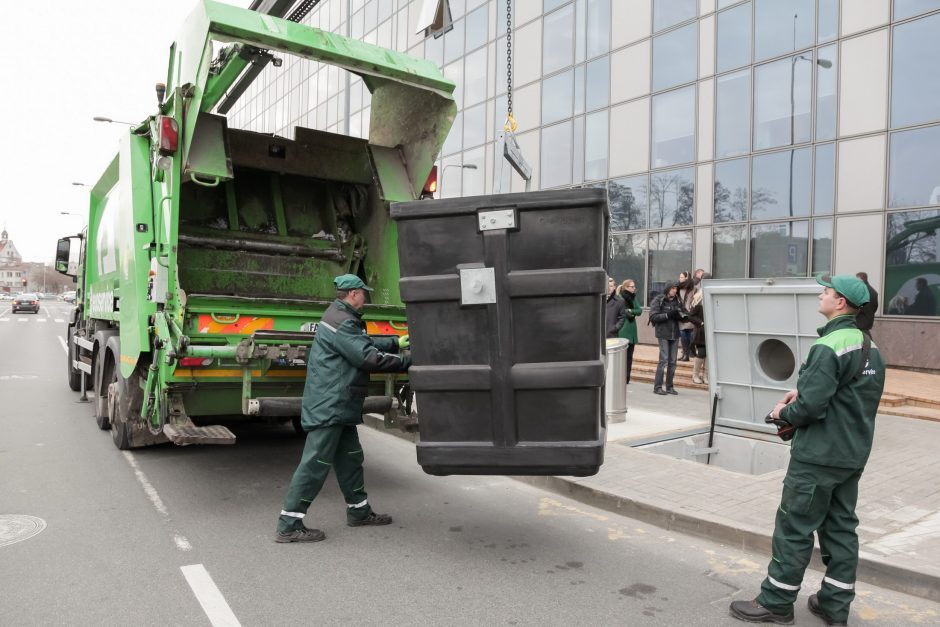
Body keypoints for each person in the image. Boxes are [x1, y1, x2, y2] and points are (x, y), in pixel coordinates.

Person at [730, 274, 885, 625]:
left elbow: (811, 410)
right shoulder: (868, 345)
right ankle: (834, 604)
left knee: (794, 526)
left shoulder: (827, 346)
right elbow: (850, 395)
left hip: (817, 456)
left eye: (827, 292)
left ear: (841, 303)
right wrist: (804, 394)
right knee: (841, 529)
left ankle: (776, 601)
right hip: (851, 455)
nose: (822, 295)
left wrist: (782, 412)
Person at [275, 274, 411, 543]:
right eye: (364, 293)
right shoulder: (343, 321)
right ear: (352, 294)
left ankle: (359, 512)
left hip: (339, 403)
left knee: (350, 459)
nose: (366, 298)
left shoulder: (341, 317)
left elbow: (362, 342)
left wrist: (396, 342)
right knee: (315, 464)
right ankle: (288, 524)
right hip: (331, 404)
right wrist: (409, 360)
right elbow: (367, 357)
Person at [648, 282, 687, 395]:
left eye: (676, 289)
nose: (675, 290)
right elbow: (653, 317)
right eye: (673, 288)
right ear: (667, 289)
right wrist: (668, 315)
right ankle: (658, 387)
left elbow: (685, 315)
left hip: (675, 334)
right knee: (664, 360)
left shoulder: (678, 301)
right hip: (663, 334)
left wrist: (683, 316)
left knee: (673, 362)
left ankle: (669, 387)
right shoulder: (658, 300)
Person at [686, 273, 711, 385]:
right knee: (701, 353)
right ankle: (695, 375)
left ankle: (706, 376)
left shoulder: (712, 294)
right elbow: (690, 316)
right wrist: (700, 322)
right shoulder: (698, 297)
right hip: (701, 331)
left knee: (709, 354)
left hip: (711, 330)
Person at [617, 279, 643, 384]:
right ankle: (620, 378)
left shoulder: (633, 298)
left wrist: (631, 311)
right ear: (626, 287)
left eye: (634, 286)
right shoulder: (620, 298)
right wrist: (630, 312)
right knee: (622, 358)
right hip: (623, 331)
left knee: (629, 357)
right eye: (632, 287)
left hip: (631, 331)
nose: (634, 288)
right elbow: (623, 312)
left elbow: (639, 311)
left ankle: (626, 378)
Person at [677, 271, 695, 361]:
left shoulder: (693, 288)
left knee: (688, 334)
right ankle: (685, 353)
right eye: (679, 277)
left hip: (689, 314)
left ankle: (687, 354)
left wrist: (692, 310)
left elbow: (696, 300)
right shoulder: (678, 288)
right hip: (681, 314)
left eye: (681, 277)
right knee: (683, 334)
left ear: (687, 278)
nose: (679, 279)